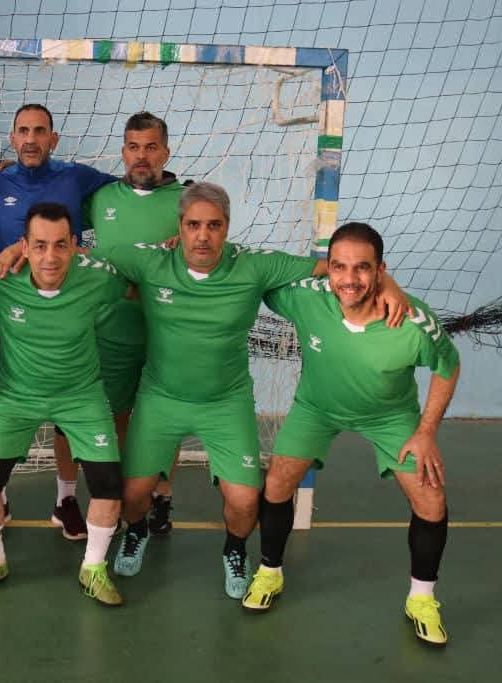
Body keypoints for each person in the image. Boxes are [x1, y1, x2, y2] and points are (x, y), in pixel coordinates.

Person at [92, 182, 411, 598]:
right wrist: (19, 252)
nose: (203, 235)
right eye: (193, 225)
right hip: (161, 399)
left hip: (226, 402)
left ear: (226, 227)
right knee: (132, 495)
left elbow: (330, 268)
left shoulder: (255, 265)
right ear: (180, 226)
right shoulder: (149, 260)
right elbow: (81, 262)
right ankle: (137, 530)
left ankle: (235, 548)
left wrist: (389, 284)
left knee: (245, 502)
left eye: (213, 225)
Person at [243, 222, 458, 647]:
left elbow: (448, 368)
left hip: (390, 416)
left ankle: (421, 598)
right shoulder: (308, 297)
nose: (349, 278)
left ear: (380, 270)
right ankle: (269, 571)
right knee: (278, 480)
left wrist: (426, 431)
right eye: (339, 266)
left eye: (363, 267)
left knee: (431, 498)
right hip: (317, 408)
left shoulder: (412, 321)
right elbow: (259, 277)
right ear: (328, 267)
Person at [0, 203, 128, 606]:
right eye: (40, 245)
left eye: (60, 245)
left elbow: (142, 282)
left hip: (81, 397)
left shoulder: (98, 277)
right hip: (16, 399)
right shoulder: (1, 274)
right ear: (25, 246)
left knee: (108, 484)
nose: (50, 257)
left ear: (74, 246)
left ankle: (93, 568)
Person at [0, 104, 116, 539]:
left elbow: (128, 196)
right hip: (12, 317)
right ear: (12, 138)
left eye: (40, 131)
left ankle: (65, 499)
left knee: (66, 415)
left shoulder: (77, 177)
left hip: (66, 313)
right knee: (2, 405)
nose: (31, 139)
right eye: (23, 131)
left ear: (53, 139)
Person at [83, 111, 187, 537]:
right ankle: (125, 494)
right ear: (123, 152)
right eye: (133, 147)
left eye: (150, 147)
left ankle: (162, 496)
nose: (141, 156)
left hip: (169, 331)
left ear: (165, 152)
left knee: (165, 416)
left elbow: (210, 248)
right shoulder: (101, 198)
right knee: (118, 415)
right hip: (111, 330)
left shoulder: (189, 200)